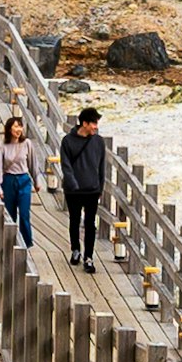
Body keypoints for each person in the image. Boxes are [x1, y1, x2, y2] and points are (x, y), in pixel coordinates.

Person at [59, 106, 110, 267]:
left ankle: (89, 257)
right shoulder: (67, 141)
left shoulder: (99, 141)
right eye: (94, 123)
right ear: (85, 123)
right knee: (74, 220)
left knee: (90, 224)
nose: (96, 127)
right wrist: (73, 184)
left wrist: (100, 187)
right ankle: (75, 250)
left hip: (92, 190)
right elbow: (66, 166)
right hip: (73, 190)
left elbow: (102, 167)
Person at [0, 115, 35, 247]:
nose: (19, 129)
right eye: (16, 126)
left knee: (24, 213)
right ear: (9, 129)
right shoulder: (1, 147)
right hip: (8, 180)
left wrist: (37, 180)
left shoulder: (27, 143)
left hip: (24, 179)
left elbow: (32, 164)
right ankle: (9, 242)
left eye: (20, 126)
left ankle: (26, 243)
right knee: (10, 214)